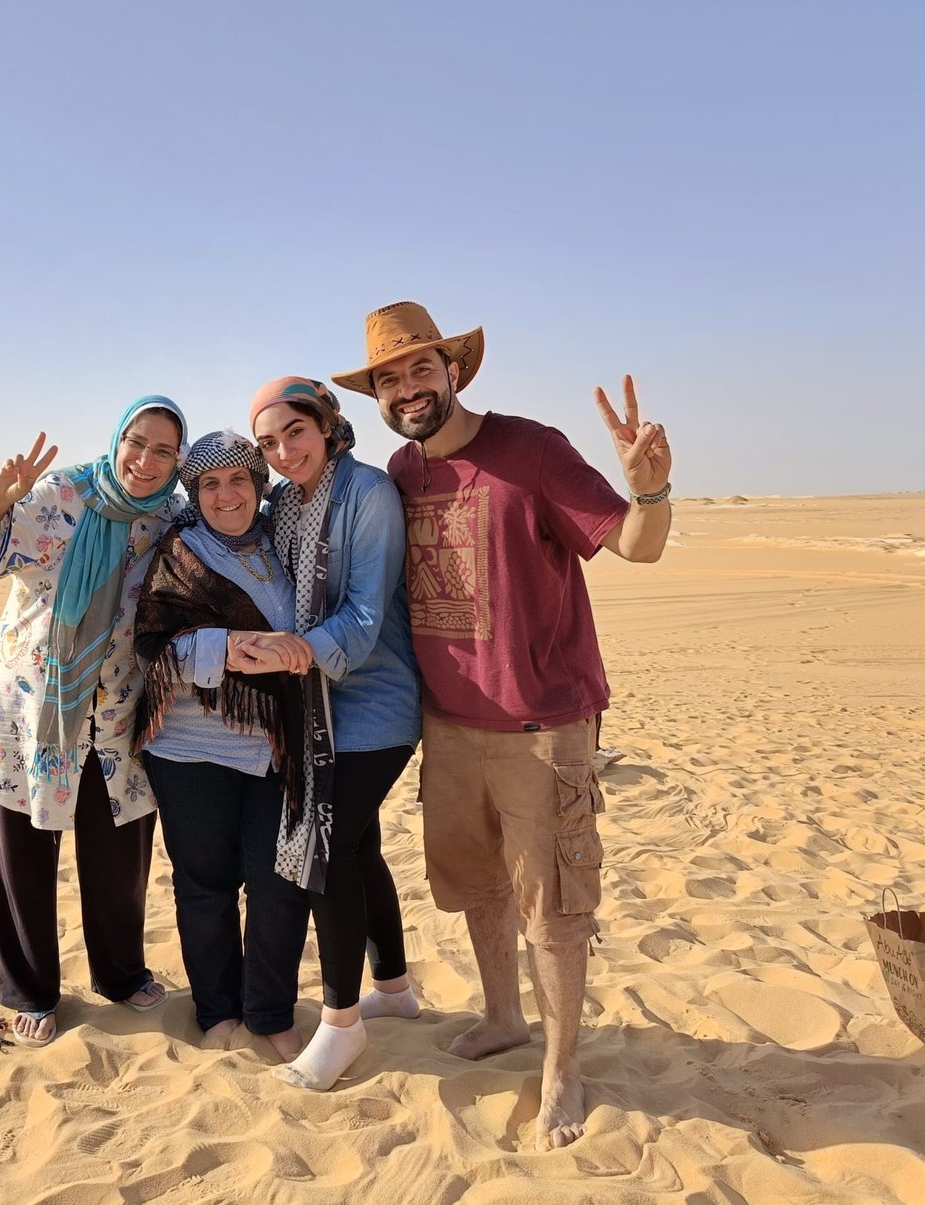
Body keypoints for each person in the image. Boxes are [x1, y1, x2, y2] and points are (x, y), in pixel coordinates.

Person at [333, 301, 674, 1150]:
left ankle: (563, 1067)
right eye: (388, 379)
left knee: (553, 907)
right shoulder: (400, 473)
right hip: (446, 726)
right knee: (478, 885)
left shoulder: (533, 450)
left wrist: (650, 488)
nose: (407, 388)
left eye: (421, 368)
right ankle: (502, 1016)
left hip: (543, 726)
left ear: (453, 370)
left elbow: (638, 544)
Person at [0, 396, 188, 1047]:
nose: (146, 460)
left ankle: (120, 973)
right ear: (118, 440)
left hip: (118, 711)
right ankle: (29, 989)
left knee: (121, 852)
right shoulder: (61, 494)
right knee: (22, 853)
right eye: (137, 442)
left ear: (177, 461)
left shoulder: (169, 515)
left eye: (164, 451)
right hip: (34, 707)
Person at [243, 377, 423, 1091]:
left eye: (296, 432)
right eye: (268, 443)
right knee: (359, 846)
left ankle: (342, 1023)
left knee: (328, 848)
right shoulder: (284, 504)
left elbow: (365, 614)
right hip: (313, 700)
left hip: (375, 700)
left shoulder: (368, 493)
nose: (285, 452)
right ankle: (395, 988)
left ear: (326, 425)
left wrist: (292, 651)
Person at [132, 431, 314, 1061]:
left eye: (238, 479)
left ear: (259, 484)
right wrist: (228, 648)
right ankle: (217, 1010)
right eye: (209, 484)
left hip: (272, 746)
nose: (225, 494)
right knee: (205, 886)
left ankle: (270, 1012)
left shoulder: (285, 544)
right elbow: (152, 644)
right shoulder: (179, 551)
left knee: (278, 881)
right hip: (188, 749)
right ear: (195, 492)